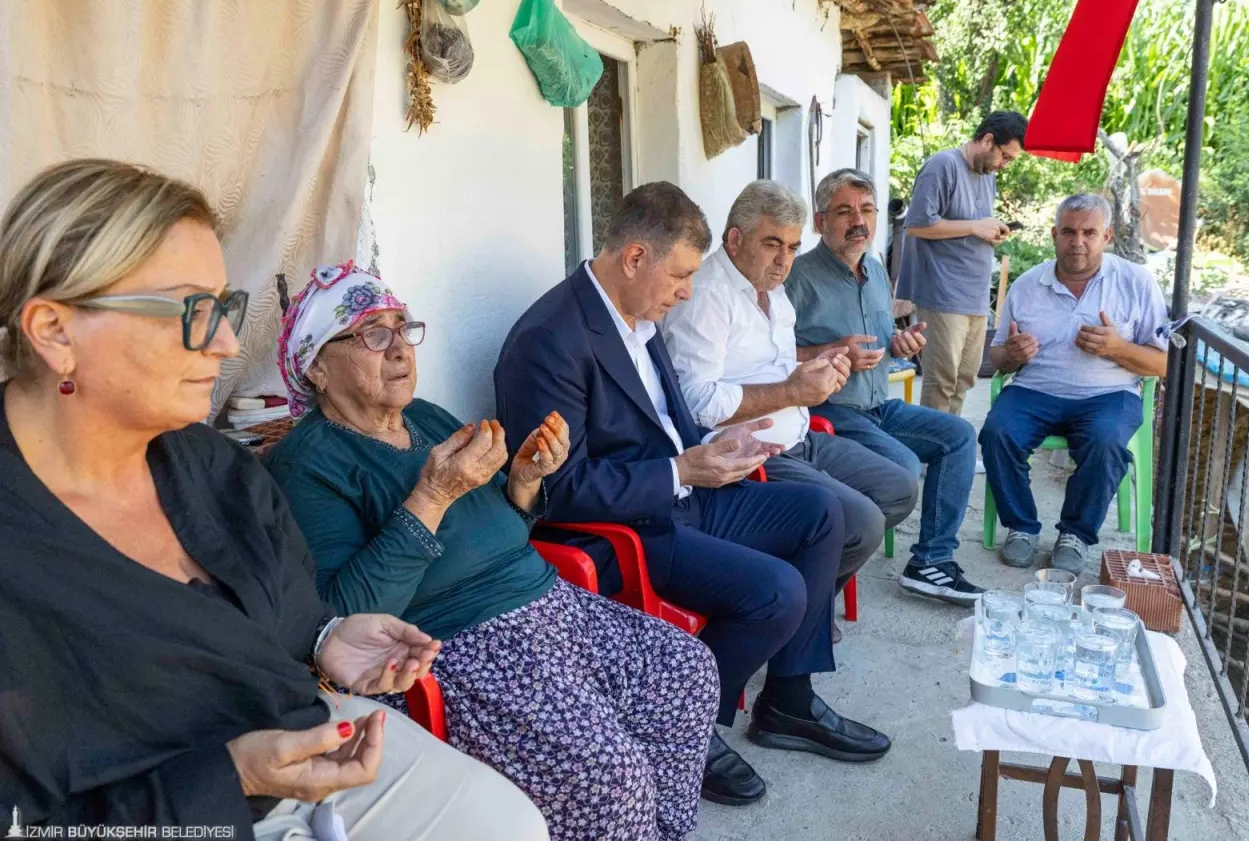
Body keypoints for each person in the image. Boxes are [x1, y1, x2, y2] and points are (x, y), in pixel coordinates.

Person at [0, 159, 547, 841]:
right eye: (194, 312)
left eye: (225, 309)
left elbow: (288, 614)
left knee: (510, 823)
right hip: (179, 815)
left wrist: (324, 638)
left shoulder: (214, 468)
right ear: (55, 330)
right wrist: (229, 780)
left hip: (310, 747)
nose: (228, 343)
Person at [265, 261, 719, 841]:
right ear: (317, 369)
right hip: (461, 640)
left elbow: (501, 528)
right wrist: (432, 495)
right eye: (373, 334)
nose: (400, 349)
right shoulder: (308, 465)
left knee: (686, 672)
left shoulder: (425, 417)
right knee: (609, 773)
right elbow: (342, 611)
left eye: (404, 329)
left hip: (548, 601)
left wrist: (524, 482)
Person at [494, 182, 892, 810]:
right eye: (680, 275)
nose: (687, 291)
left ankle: (786, 700)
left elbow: (673, 416)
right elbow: (559, 489)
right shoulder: (551, 338)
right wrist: (682, 472)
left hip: (685, 493)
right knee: (777, 593)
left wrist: (717, 455)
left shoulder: (634, 312)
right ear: (634, 259)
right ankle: (683, 724)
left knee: (826, 514)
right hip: (628, 527)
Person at [661, 179, 918, 628]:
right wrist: (791, 392)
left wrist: (822, 364)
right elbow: (694, 403)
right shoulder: (706, 295)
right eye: (773, 244)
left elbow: (779, 364)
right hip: (753, 456)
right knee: (861, 522)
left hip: (802, 433)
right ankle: (794, 616)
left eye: (794, 247)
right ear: (735, 239)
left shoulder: (773, 290)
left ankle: (804, 607)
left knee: (899, 486)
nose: (785, 261)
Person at [787, 169, 984, 605]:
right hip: (830, 411)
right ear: (820, 222)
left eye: (867, 210)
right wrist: (832, 351)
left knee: (958, 436)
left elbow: (879, 341)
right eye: (844, 212)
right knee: (904, 467)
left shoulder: (874, 271)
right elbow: (774, 354)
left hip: (878, 407)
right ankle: (817, 587)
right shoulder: (797, 277)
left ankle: (931, 562)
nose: (858, 221)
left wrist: (899, 343)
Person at [980, 194, 1169, 572]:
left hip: (1108, 394)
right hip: (1035, 389)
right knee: (997, 432)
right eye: (1068, 231)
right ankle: (1021, 527)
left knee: (1106, 441)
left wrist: (1117, 348)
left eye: (1089, 232)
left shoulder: (1136, 283)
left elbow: (1163, 363)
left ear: (1107, 235)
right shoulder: (1029, 284)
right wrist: (1014, 354)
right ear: (1054, 234)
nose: (1077, 242)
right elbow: (997, 358)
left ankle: (1076, 534)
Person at [897, 110, 1028, 416]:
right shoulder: (942, 166)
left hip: (975, 293)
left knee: (964, 380)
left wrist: (990, 229)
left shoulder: (988, 175)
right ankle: (932, 458)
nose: (1005, 165)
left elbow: (971, 223)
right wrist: (973, 227)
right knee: (941, 380)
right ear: (987, 140)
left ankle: (950, 451)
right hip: (942, 291)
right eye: (1005, 157)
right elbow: (916, 225)